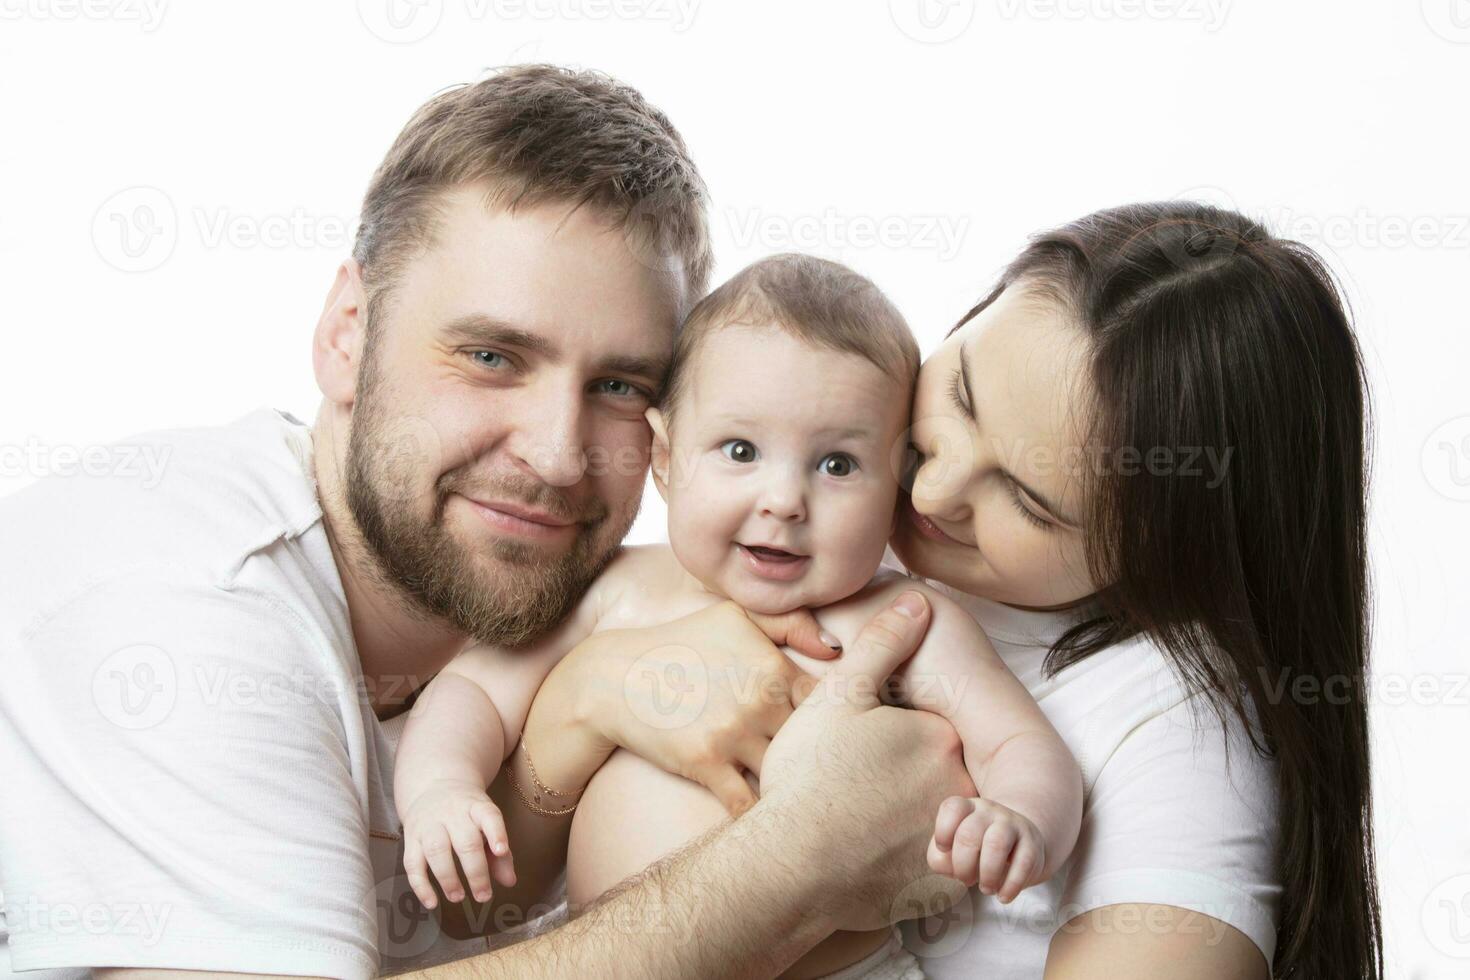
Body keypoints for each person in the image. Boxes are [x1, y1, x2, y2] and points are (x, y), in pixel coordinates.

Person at [0, 66, 974, 979]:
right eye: (493, 357)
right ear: (347, 334)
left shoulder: (614, 616)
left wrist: (577, 708)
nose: (555, 453)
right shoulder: (182, 586)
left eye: (619, 385)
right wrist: (798, 857)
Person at [511, 202, 1384, 979]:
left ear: (1164, 552)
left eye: (1029, 501)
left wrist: (828, 852)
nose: (929, 490)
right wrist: (588, 696)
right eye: (959, 395)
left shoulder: (1173, 726)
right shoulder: (778, 559)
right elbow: (478, 908)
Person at [390, 253, 1084, 979]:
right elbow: (471, 693)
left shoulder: (907, 621)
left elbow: (1024, 746)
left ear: (897, 481)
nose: (784, 499)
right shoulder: (618, 590)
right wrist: (443, 788)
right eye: (741, 450)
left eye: (838, 464)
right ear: (664, 456)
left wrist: (1020, 818)